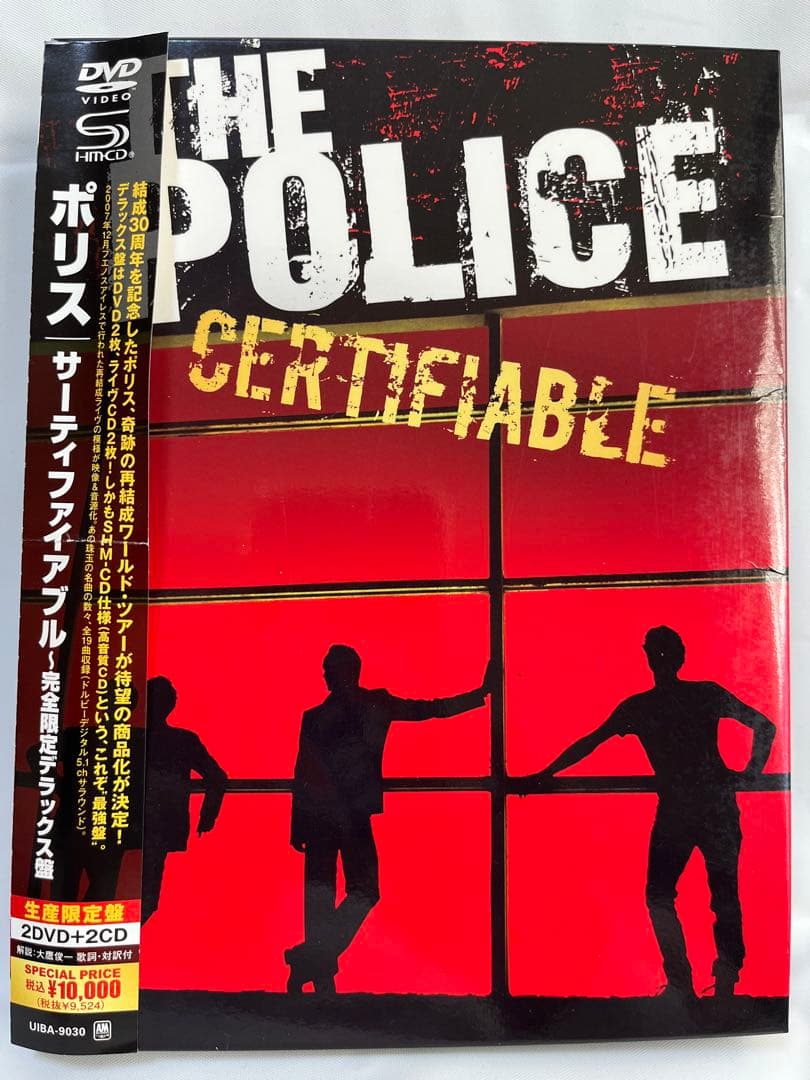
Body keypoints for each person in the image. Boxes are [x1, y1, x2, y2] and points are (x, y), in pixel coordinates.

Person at [526, 626, 776, 1001]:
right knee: (722, 894)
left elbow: (590, 743)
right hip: (716, 807)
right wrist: (749, 775)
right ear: (680, 657)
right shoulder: (703, 695)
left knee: (662, 894)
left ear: (649, 658)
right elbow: (764, 726)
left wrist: (544, 775)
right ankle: (723, 981)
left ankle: (682, 983)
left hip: (678, 812)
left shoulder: (641, 707)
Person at [286, 645, 492, 993]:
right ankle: (317, 969)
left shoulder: (327, 715)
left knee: (328, 894)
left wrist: (297, 823)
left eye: (328, 668)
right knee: (356, 891)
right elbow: (429, 710)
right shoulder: (369, 706)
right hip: (349, 814)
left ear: (342, 671)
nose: (324, 675)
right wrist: (478, 695)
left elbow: (302, 772)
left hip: (328, 816)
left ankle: (312, 962)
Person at [140, 676, 228, 924]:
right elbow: (217, 778)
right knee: (147, 898)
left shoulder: (129, 740)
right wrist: (206, 817)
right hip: (161, 828)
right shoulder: (183, 741)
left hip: (127, 826)